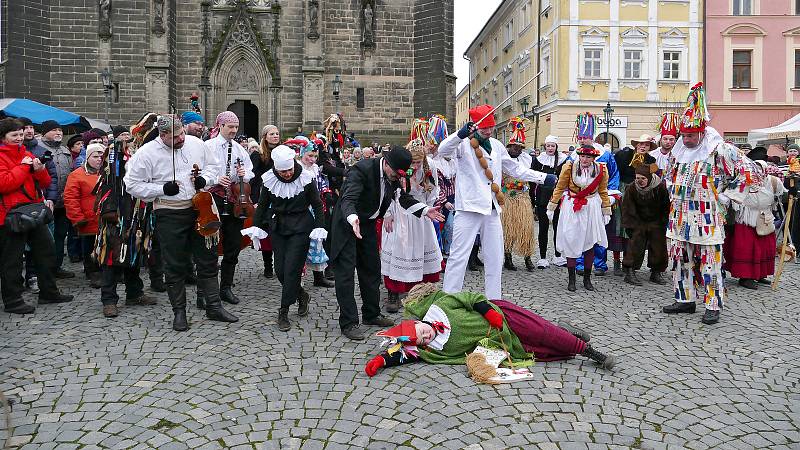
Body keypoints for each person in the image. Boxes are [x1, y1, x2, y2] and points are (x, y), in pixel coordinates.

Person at [124, 114, 238, 331]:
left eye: (182, 133)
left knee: (208, 258)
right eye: (175, 137)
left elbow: (213, 167)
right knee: (174, 264)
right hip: (169, 211)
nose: (181, 138)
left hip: (200, 207)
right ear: (163, 135)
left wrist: (206, 179)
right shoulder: (147, 153)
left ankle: (213, 306)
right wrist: (161, 189)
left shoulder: (196, 144)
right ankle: (179, 312)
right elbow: (131, 184)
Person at [363, 283, 616, 377]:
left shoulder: (440, 306)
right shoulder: (431, 349)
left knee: (545, 334)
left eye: (422, 331)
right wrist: (380, 361)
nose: (426, 336)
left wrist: (489, 312)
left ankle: (594, 354)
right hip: (504, 343)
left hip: (504, 317)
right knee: (548, 352)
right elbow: (403, 353)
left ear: (418, 322)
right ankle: (569, 334)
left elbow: (471, 296)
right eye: (421, 340)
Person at [438, 105, 554, 300]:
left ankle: (495, 300)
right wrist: (460, 134)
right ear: (475, 126)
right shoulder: (464, 144)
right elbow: (443, 150)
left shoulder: (497, 145)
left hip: (492, 209)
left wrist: (543, 178)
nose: (489, 131)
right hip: (468, 208)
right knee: (459, 256)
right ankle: (450, 299)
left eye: (491, 127)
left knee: (495, 257)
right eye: (484, 128)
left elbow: (515, 169)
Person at [662, 83, 755, 325]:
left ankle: (713, 304)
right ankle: (685, 299)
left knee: (711, 263)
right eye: (684, 135)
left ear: (702, 132)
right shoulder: (678, 152)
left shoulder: (720, 150)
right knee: (679, 259)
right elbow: (669, 176)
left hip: (707, 218)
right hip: (679, 216)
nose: (687, 139)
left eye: (691, 135)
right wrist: (672, 189)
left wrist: (727, 197)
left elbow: (748, 172)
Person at [329, 146, 444, 341]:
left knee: (372, 270)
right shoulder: (362, 170)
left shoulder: (393, 176)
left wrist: (425, 210)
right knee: (346, 275)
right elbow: (348, 199)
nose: (397, 178)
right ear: (387, 164)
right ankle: (348, 322)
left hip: (367, 226)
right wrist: (352, 218)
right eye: (396, 173)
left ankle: (371, 314)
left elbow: (403, 198)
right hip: (348, 224)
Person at [0, 118, 73, 314]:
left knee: (46, 251)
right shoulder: (2, 156)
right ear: (3, 137)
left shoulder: (27, 153)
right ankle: (13, 300)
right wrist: (24, 166)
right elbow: (5, 183)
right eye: (14, 135)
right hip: (9, 215)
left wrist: (39, 171)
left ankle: (48, 292)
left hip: (32, 210)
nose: (19, 138)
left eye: (20, 134)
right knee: (12, 260)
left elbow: (44, 183)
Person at [253, 145, 327, 331]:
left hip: (301, 226)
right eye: (282, 171)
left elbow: (317, 204)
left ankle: (283, 310)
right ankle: (301, 294)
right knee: (280, 271)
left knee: (292, 268)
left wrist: (319, 226)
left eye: (289, 170)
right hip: (279, 227)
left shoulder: (305, 178)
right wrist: (256, 225)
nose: (287, 174)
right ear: (276, 169)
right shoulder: (270, 179)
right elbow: (262, 205)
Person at [93, 134, 157, 318]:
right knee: (111, 258)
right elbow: (109, 183)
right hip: (116, 215)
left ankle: (134, 293)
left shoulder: (139, 158)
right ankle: (109, 300)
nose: (130, 144)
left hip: (136, 215)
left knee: (134, 253)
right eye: (127, 141)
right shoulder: (113, 163)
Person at [380, 139, 443, 313]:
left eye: (417, 162)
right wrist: (388, 213)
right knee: (398, 248)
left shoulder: (429, 166)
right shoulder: (402, 167)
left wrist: (429, 206)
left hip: (422, 212)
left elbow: (434, 187)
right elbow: (392, 192)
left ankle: (419, 290)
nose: (415, 166)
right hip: (400, 212)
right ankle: (393, 291)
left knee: (420, 249)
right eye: (412, 162)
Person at [204, 111, 255, 305]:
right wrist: (216, 179)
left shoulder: (239, 148)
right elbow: (199, 171)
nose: (234, 130)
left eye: (236, 127)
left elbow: (250, 170)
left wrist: (244, 173)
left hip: (234, 200)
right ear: (220, 126)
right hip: (214, 198)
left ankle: (226, 287)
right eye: (230, 127)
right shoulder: (208, 146)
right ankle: (207, 291)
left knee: (233, 244)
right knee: (209, 243)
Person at [548, 144, 611, 291]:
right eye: (582, 156)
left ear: (594, 158)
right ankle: (572, 280)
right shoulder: (569, 167)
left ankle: (587, 279)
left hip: (592, 207)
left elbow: (603, 191)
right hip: (573, 207)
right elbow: (560, 187)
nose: (585, 159)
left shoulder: (601, 169)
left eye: (588, 157)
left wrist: (606, 210)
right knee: (572, 240)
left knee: (590, 242)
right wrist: (552, 205)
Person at [569, 113, 620, 277]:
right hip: (578, 200)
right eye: (580, 137)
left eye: (586, 137)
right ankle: (579, 262)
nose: (583, 140)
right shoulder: (573, 156)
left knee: (597, 231)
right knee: (579, 231)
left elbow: (613, 176)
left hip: (596, 200)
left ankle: (599, 263)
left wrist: (609, 197)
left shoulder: (605, 154)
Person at [722, 161, 785, 289]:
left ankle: (760, 274)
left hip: (765, 218)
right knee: (746, 248)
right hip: (746, 219)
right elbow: (728, 195)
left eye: (760, 168)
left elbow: (782, 194)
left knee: (765, 248)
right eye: (755, 168)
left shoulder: (773, 181)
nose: (757, 171)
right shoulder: (743, 180)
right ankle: (745, 277)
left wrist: (791, 193)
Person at [34, 120, 76, 280]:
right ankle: (44, 271)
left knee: (60, 235)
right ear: (44, 132)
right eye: (54, 130)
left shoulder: (65, 150)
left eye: (60, 130)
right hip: (46, 202)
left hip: (63, 201)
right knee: (45, 238)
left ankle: (56, 266)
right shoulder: (39, 149)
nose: (59, 133)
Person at [294, 136, 334, 288]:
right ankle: (298, 280)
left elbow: (322, 182)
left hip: (316, 209)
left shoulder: (315, 169)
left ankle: (319, 277)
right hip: (302, 211)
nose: (312, 159)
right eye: (309, 156)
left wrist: (326, 192)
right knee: (301, 244)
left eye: (315, 156)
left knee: (318, 242)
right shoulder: (297, 169)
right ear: (302, 154)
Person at [620, 164, 670, 286]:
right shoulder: (631, 188)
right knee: (635, 243)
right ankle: (630, 271)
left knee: (658, 245)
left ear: (649, 177)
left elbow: (665, 206)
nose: (640, 181)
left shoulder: (660, 187)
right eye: (637, 178)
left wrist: (663, 222)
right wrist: (631, 225)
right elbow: (627, 208)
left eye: (643, 178)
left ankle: (656, 271)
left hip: (656, 220)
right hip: (638, 220)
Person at [63, 143, 103, 288]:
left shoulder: (108, 173)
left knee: (106, 245)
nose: (99, 159)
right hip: (88, 219)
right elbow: (70, 198)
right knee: (89, 248)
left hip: (105, 218)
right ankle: (92, 272)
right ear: (88, 157)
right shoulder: (77, 175)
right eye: (95, 156)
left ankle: (107, 271)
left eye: (101, 156)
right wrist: (78, 218)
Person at [500, 117, 536, 272]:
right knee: (508, 229)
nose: (517, 149)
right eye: (515, 146)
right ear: (509, 146)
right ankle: (507, 258)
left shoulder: (527, 159)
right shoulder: (502, 159)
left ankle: (528, 257)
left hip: (523, 197)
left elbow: (532, 178)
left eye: (520, 147)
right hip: (507, 197)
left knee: (526, 228)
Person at [531, 135, 568, 269]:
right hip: (542, 198)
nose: (550, 148)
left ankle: (558, 255)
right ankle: (542, 257)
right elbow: (532, 180)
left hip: (558, 198)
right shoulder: (538, 160)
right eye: (548, 146)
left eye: (553, 146)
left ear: (556, 147)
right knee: (543, 228)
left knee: (558, 227)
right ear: (545, 146)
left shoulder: (563, 160)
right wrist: (532, 200)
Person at [252, 124, 280, 279]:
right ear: (265, 136)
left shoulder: (282, 152)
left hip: (280, 198)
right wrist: (255, 200)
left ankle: (280, 264)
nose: (275, 136)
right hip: (265, 198)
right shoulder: (258, 155)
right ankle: (268, 266)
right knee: (266, 233)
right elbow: (254, 180)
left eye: (277, 134)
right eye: (272, 134)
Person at [649, 113, 679, 177]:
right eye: (665, 139)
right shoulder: (652, 154)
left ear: (675, 141)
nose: (668, 142)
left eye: (671, 139)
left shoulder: (677, 155)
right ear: (661, 139)